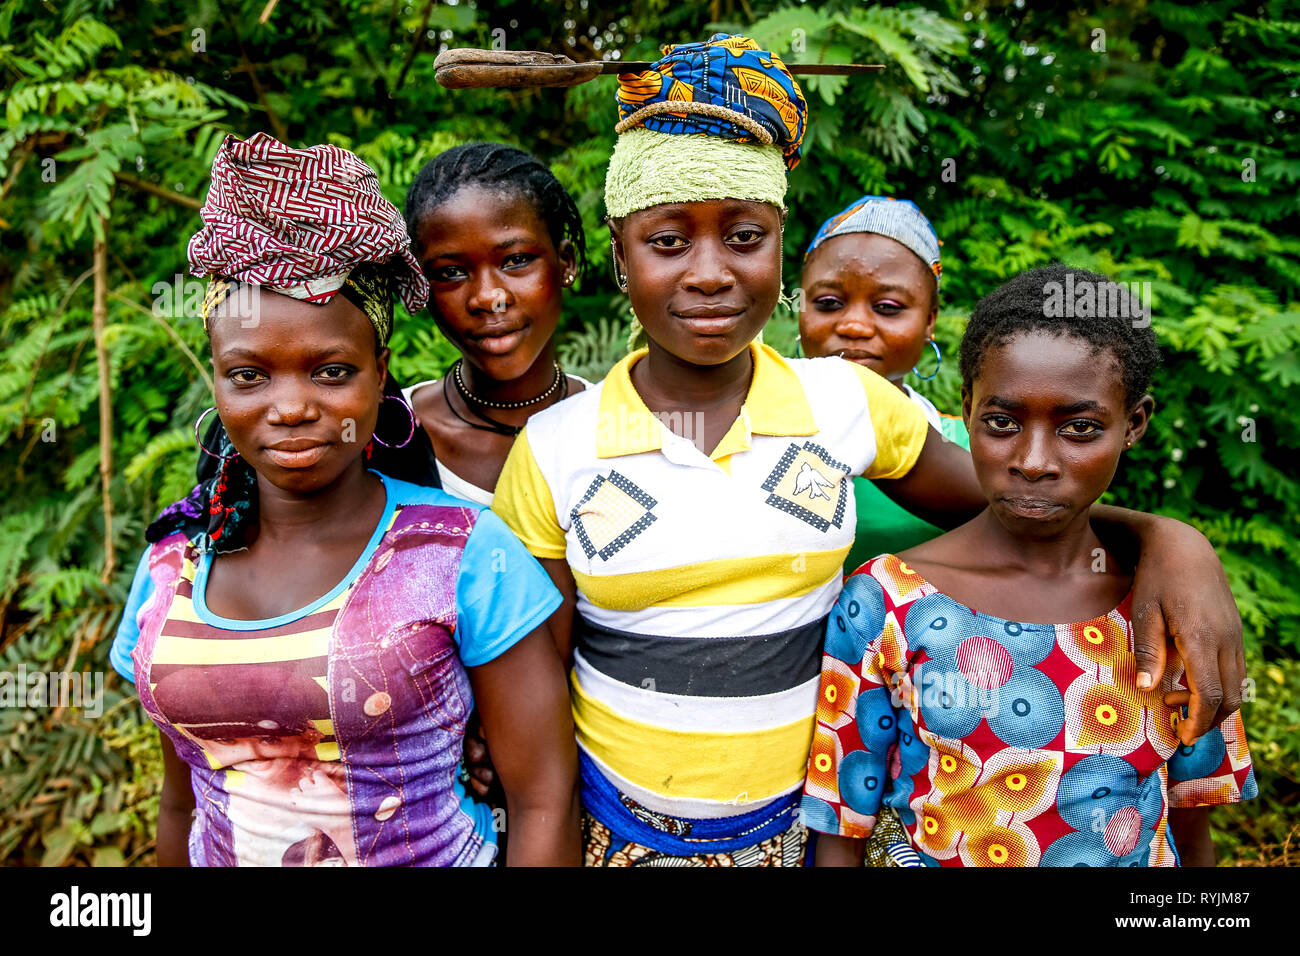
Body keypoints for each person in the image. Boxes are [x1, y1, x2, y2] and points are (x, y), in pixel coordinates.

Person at [491, 34, 1249, 867]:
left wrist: (1172, 541)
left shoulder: (844, 403)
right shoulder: (556, 448)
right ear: (618, 256)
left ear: (780, 248)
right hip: (622, 836)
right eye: (667, 241)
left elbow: (1022, 504)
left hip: (813, 835)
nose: (709, 273)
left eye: (744, 236)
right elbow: (540, 738)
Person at [109, 133, 579, 867]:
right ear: (214, 379)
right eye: (249, 375)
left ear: (379, 372)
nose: (291, 407)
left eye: (330, 372)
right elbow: (184, 802)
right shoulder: (170, 567)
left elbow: (544, 798)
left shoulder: (462, 553)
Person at [802, 265, 1256, 866]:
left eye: (1080, 428)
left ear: (1135, 425)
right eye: (1003, 422)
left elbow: (1192, 826)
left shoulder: (1168, 605)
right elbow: (841, 829)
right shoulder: (885, 603)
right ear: (966, 410)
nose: (1034, 460)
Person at [401, 143, 591, 505]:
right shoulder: (389, 437)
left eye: (516, 260)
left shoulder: (624, 430)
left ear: (566, 262)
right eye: (451, 272)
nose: (488, 297)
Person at [799, 195, 969, 573]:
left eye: (888, 307)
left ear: (929, 321)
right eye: (828, 302)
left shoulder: (971, 449)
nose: (854, 326)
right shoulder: (746, 434)